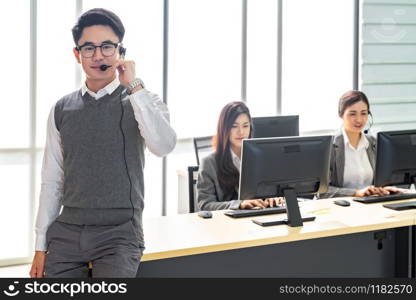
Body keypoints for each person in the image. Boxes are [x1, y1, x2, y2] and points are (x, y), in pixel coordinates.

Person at [29, 8, 176, 278]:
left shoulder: (142, 99)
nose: (98, 56)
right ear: (77, 55)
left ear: (121, 51)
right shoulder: (62, 109)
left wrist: (134, 87)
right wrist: (40, 245)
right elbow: (52, 180)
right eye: (89, 48)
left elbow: (163, 146)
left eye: (107, 46)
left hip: (119, 233)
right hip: (67, 233)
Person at [197, 101, 282, 210]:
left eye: (245, 126)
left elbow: (271, 192)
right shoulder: (209, 163)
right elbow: (205, 205)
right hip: (227, 224)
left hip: (259, 220)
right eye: (234, 126)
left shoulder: (262, 158)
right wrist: (239, 205)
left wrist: (273, 199)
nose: (241, 132)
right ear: (224, 128)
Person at [323, 90, 400, 198]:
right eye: (352, 114)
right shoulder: (330, 147)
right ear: (341, 115)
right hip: (342, 208)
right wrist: (356, 193)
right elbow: (322, 191)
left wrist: (383, 188)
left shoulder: (375, 143)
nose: (359, 119)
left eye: (364, 113)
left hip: (373, 205)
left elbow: (386, 179)